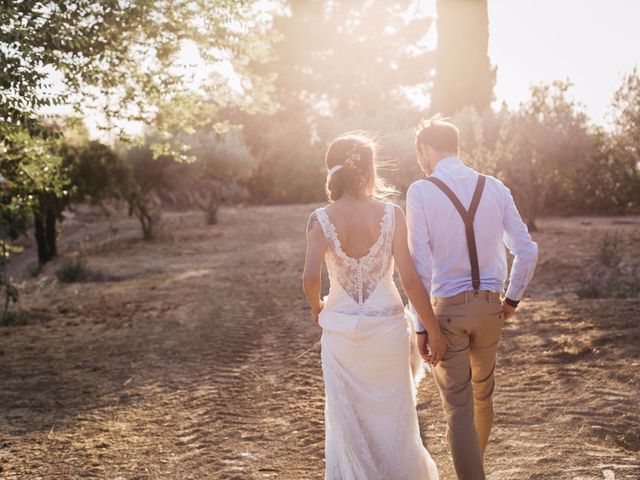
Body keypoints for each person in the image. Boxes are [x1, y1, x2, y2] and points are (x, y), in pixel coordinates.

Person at [302, 131, 443, 479]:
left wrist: (315, 306)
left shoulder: (321, 218)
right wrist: (434, 329)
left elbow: (309, 278)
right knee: (394, 417)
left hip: (341, 328)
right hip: (387, 327)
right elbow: (410, 280)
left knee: (348, 418)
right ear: (369, 170)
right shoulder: (392, 214)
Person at [407, 115, 539, 480]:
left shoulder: (420, 191)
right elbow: (527, 251)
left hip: (447, 313)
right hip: (491, 309)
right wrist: (511, 301)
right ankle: (475, 467)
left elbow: (420, 265)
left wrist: (422, 327)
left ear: (425, 150)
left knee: (458, 409)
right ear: (458, 148)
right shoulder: (495, 187)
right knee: (483, 398)